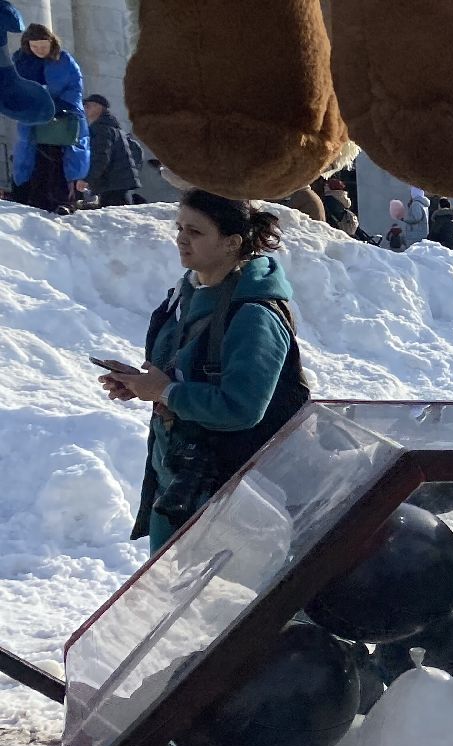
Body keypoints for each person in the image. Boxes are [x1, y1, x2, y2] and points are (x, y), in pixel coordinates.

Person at [97, 190, 308, 554]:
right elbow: (182, 374)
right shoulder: (185, 295)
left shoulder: (254, 316)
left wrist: (166, 392)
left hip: (233, 499)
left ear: (231, 243)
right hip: (179, 483)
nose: (181, 238)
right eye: (180, 227)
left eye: (195, 231)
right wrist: (142, 384)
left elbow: (241, 407)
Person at [8, 23, 88, 214]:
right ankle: (33, 200)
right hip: (33, 119)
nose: (40, 50)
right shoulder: (20, 62)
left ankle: (64, 201)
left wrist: (58, 106)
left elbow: (75, 87)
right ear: (28, 45)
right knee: (33, 158)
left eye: (43, 46)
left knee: (61, 158)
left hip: (62, 117)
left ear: (52, 43)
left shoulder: (64, 60)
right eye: (35, 46)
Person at [81, 94, 140, 207]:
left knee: (116, 212)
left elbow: (101, 157)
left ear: (99, 107)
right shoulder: (112, 127)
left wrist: (87, 179)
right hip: (118, 181)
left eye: (88, 106)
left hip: (111, 182)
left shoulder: (101, 128)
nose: (85, 109)